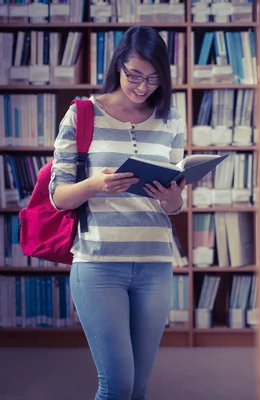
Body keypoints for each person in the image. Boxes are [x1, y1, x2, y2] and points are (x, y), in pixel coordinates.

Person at [49, 25, 185, 400]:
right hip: (99, 264)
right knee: (117, 385)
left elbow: (175, 204)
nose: (143, 87)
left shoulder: (171, 118)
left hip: (155, 261)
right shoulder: (82, 114)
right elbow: (58, 197)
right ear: (118, 66)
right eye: (135, 75)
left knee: (138, 388)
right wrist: (95, 185)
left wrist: (173, 200)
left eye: (153, 79)